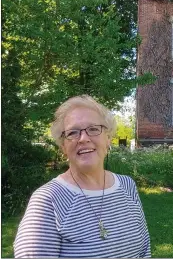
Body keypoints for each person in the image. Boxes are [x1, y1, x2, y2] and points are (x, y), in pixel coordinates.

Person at [14, 95, 151, 258]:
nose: (84, 138)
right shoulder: (47, 201)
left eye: (93, 129)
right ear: (63, 146)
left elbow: (144, 251)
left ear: (108, 139)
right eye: (73, 132)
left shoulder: (128, 186)